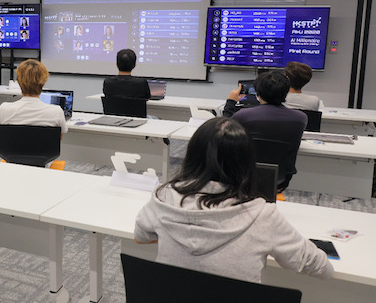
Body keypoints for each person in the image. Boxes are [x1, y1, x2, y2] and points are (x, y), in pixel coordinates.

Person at [134, 117, 333, 284]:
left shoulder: (163, 197)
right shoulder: (262, 215)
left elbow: (141, 237)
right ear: (246, 162)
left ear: (192, 155)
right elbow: (321, 268)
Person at [223, 70, 307, 191]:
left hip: (243, 176)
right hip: (280, 179)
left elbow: (222, 130)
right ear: (286, 92)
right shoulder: (301, 118)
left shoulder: (243, 115)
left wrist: (231, 102)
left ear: (258, 93)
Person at [0, 60, 68, 137]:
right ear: (43, 82)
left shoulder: (4, 109)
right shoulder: (56, 111)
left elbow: (2, 136)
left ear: (19, 82)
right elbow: (58, 139)